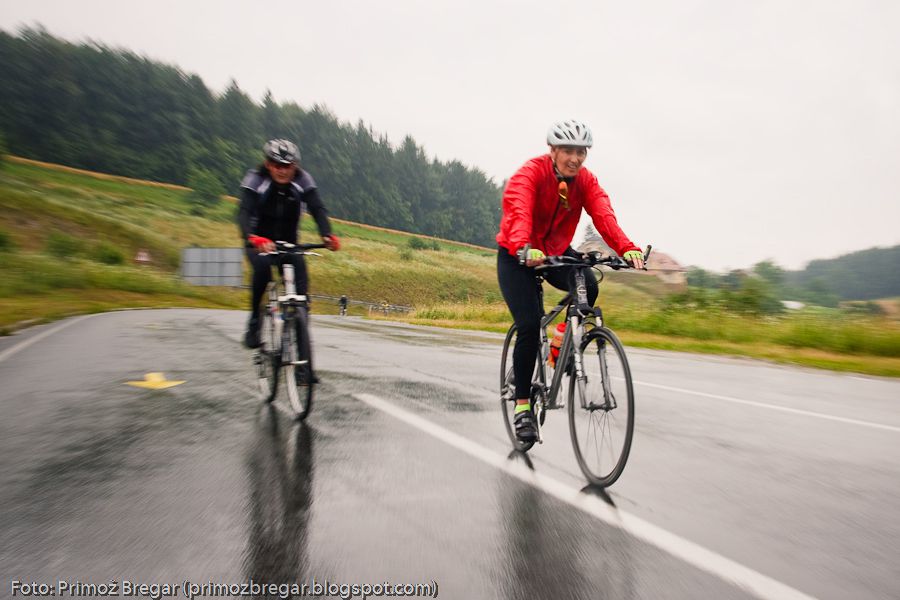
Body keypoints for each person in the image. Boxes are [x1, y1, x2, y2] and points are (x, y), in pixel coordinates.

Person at [496, 120, 645, 444]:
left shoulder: (585, 182)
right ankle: (522, 407)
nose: (575, 158)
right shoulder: (531, 173)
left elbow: (604, 215)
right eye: (568, 151)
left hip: (555, 251)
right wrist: (523, 244)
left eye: (581, 152)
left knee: (588, 284)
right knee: (529, 324)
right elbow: (518, 208)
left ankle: (560, 343)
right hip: (516, 254)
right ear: (553, 150)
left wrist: (627, 248)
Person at [238, 138, 340, 349]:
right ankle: (255, 320)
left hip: (289, 243)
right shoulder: (256, 179)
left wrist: (327, 234)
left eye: (287, 166)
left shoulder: (303, 180)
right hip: (260, 241)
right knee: (263, 269)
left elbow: (318, 209)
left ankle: (303, 356)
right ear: (268, 164)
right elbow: (244, 212)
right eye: (277, 166)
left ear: (295, 166)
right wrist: (251, 237)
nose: (282, 171)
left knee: (302, 296)